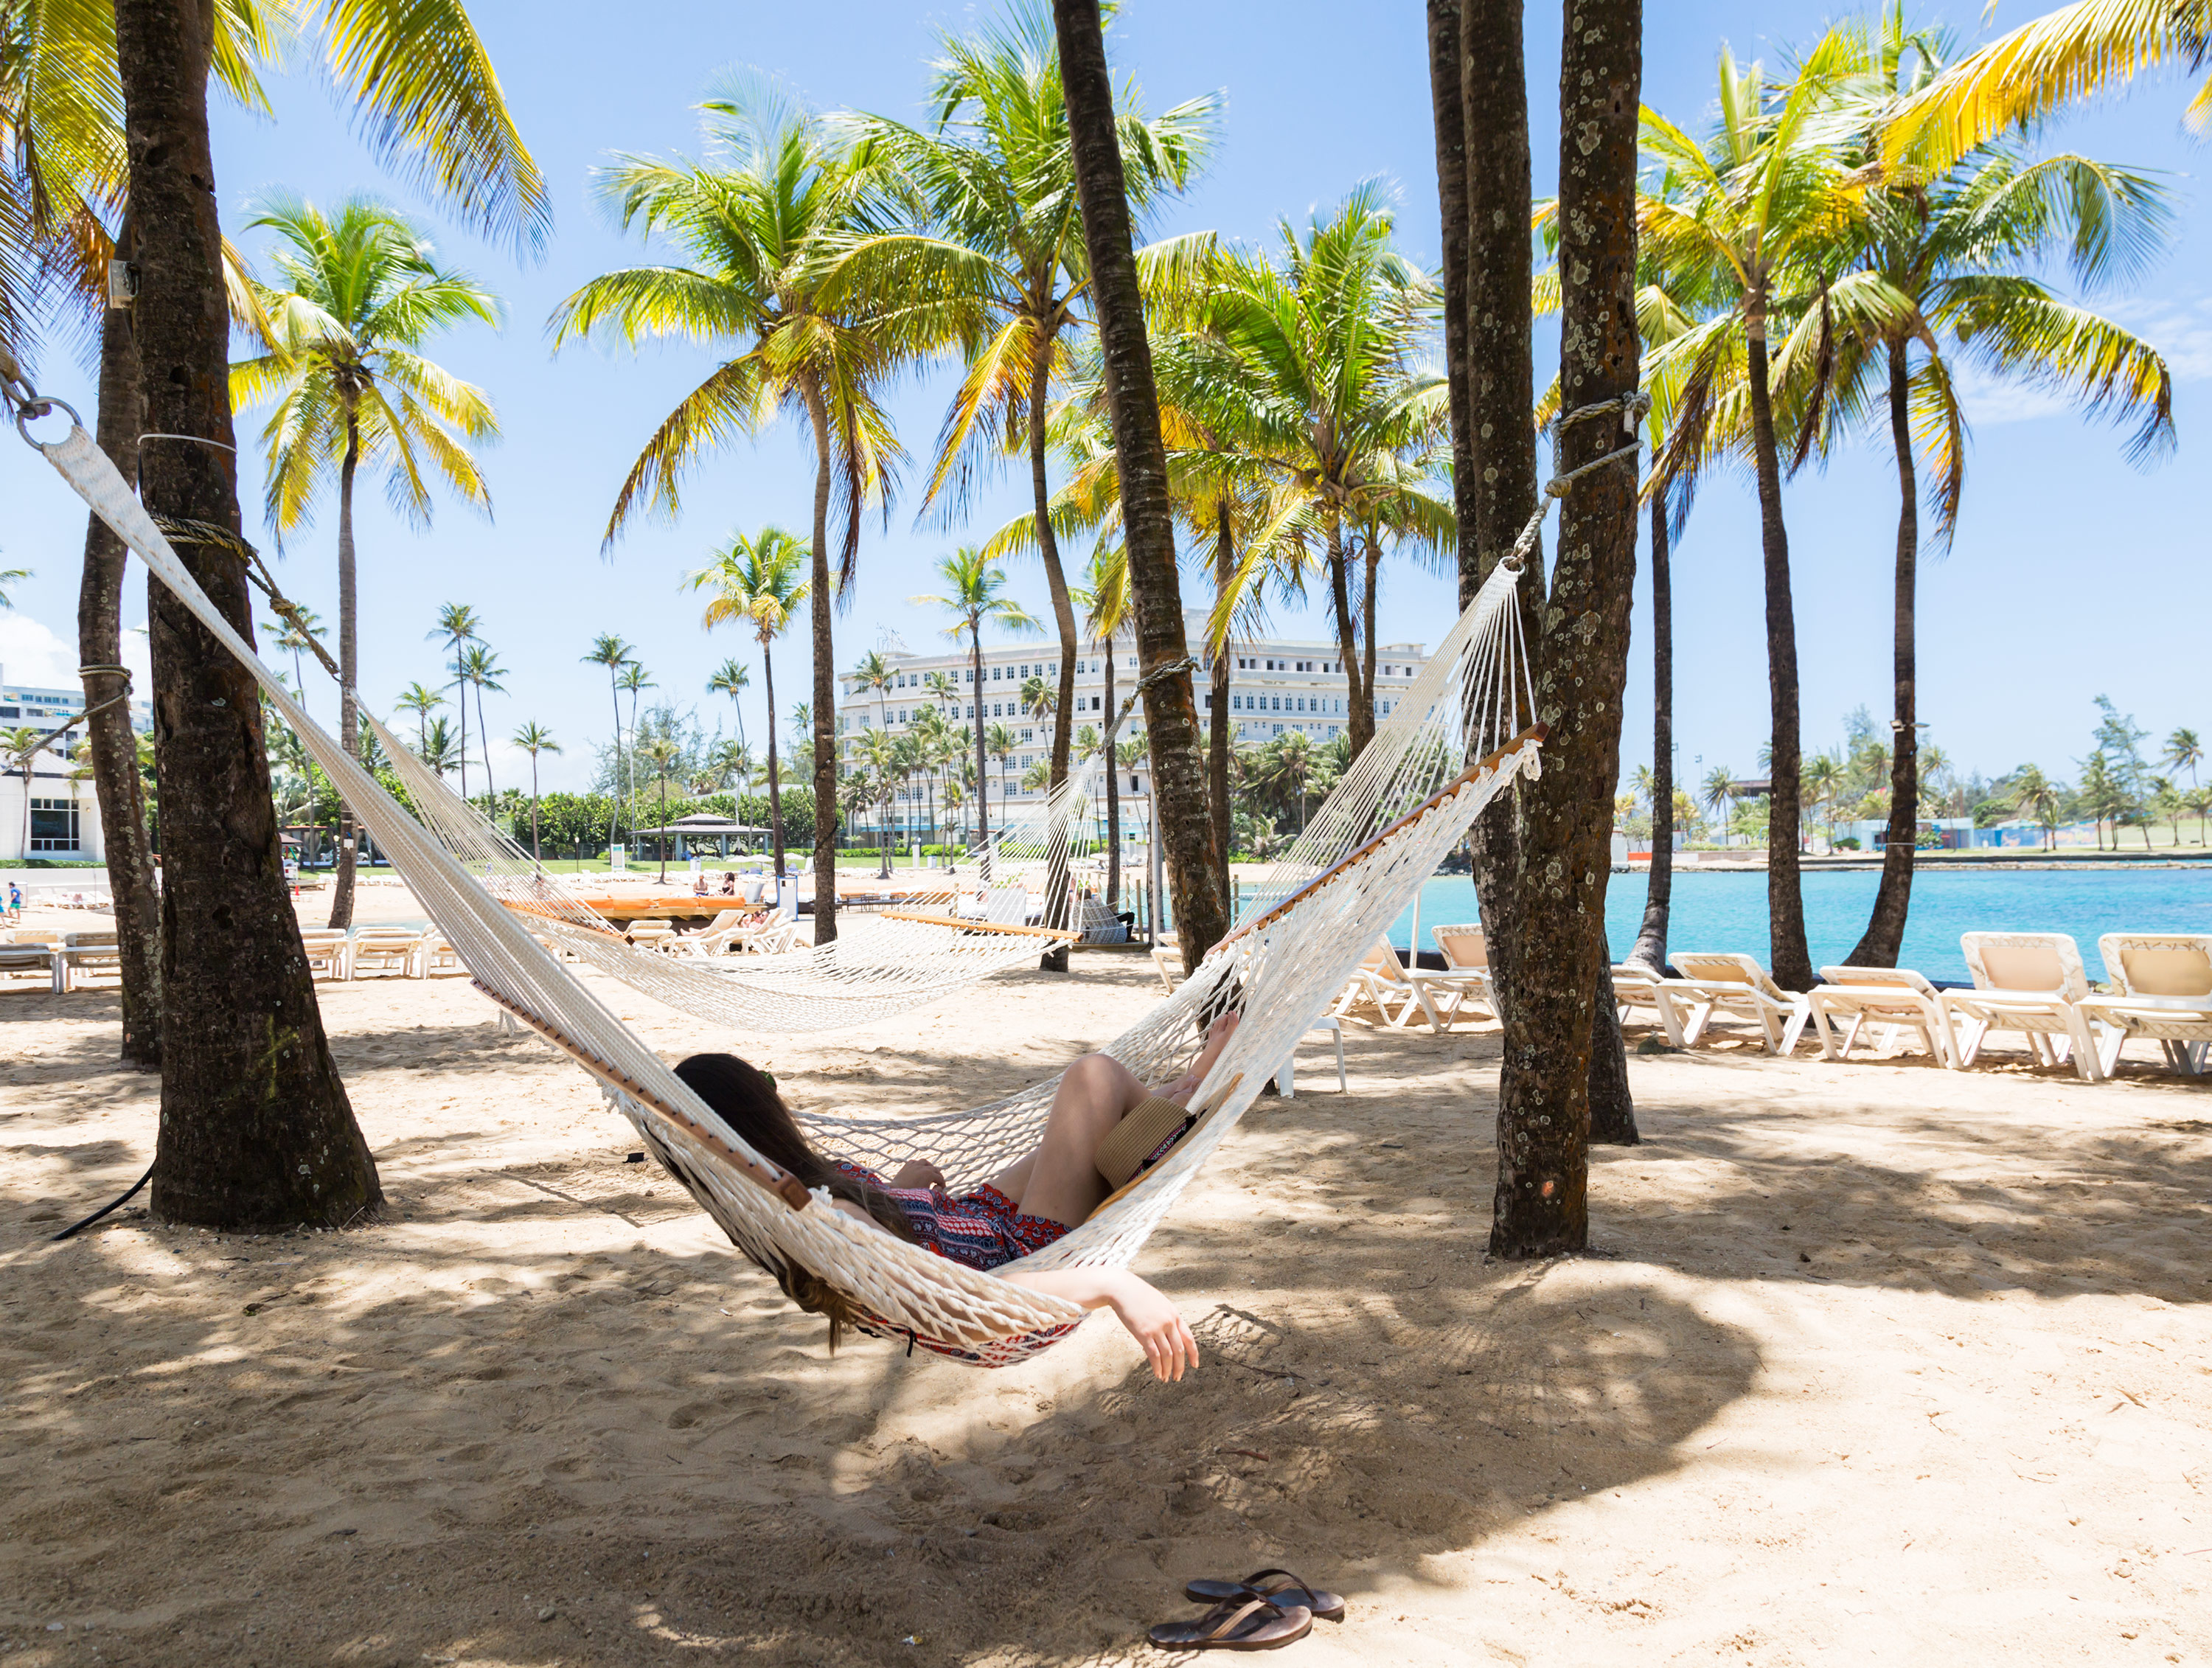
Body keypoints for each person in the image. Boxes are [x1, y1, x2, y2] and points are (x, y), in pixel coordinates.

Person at [672, 1012, 1241, 1382]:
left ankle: (1179, 1097)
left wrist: (895, 1193)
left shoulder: (793, 1201)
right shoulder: (827, 1221)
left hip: (970, 1222)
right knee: (1093, 1078)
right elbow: (957, 1306)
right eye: (766, 1085)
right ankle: (1181, 1104)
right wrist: (1112, 1284)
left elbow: (877, 1245)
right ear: (756, 1113)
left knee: (1092, 1115)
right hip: (1018, 1265)